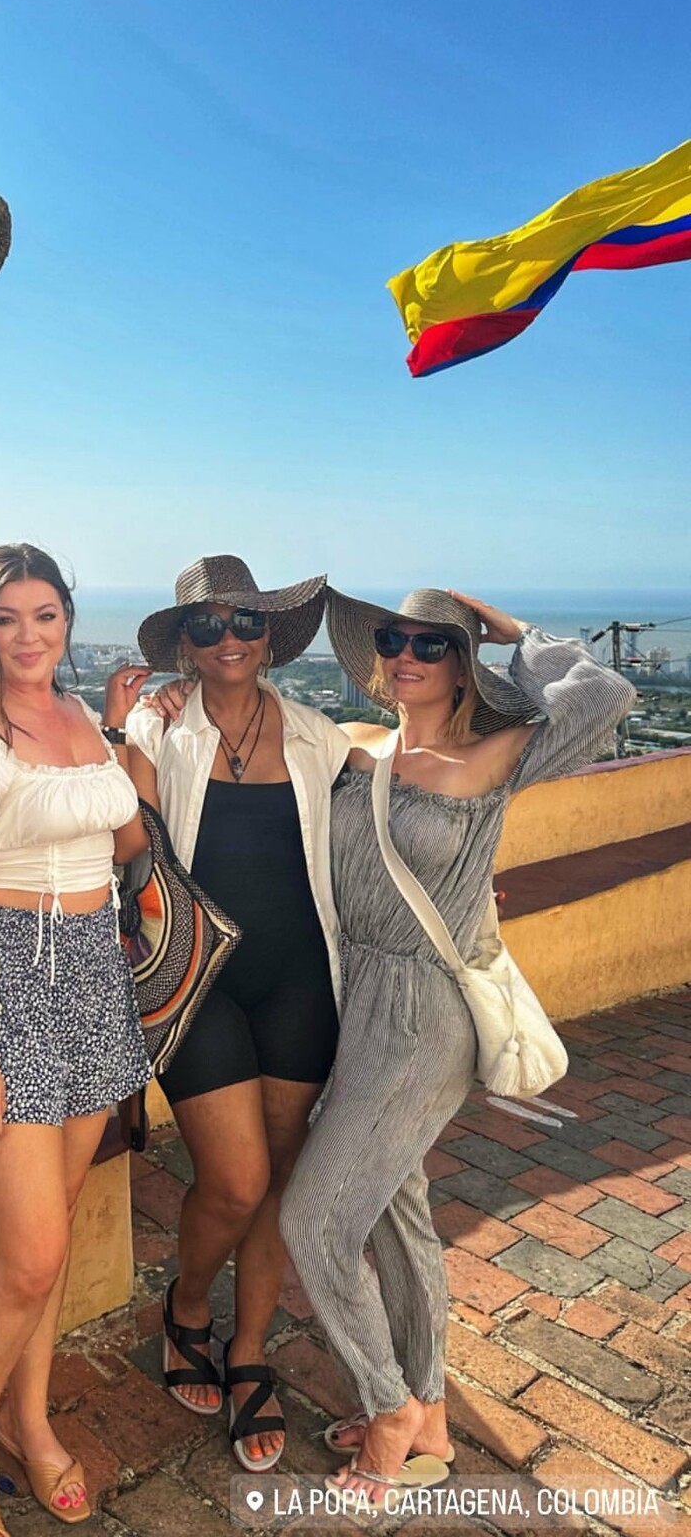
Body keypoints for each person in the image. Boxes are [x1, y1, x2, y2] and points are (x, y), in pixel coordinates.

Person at [279, 588, 636, 1506]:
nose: (407, 655)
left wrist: (511, 628)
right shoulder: (360, 746)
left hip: (421, 1016)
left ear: (464, 663)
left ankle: (388, 1409)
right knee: (397, 1213)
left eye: (432, 644)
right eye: (393, 639)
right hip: (349, 998)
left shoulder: (497, 754)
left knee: (314, 1221)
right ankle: (430, 1410)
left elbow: (606, 696)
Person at [0, 544, 153, 1535]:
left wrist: (126, 728)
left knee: (51, 1232)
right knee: (28, 1254)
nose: (28, 635)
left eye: (45, 614)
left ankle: (27, 1417)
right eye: (8, 617)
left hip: (94, 973)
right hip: (9, 979)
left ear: (67, 620)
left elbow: (122, 835)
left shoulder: (84, 720)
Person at [124, 555, 350, 1473]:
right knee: (234, 1180)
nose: (229, 639)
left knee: (279, 1178)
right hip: (197, 980)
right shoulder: (156, 727)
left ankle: (249, 1349)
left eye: (246, 622)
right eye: (208, 625)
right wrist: (122, 726)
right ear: (186, 643)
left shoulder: (318, 735)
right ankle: (187, 1304)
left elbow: (394, 816)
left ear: (271, 638)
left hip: (301, 978)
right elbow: (128, 843)